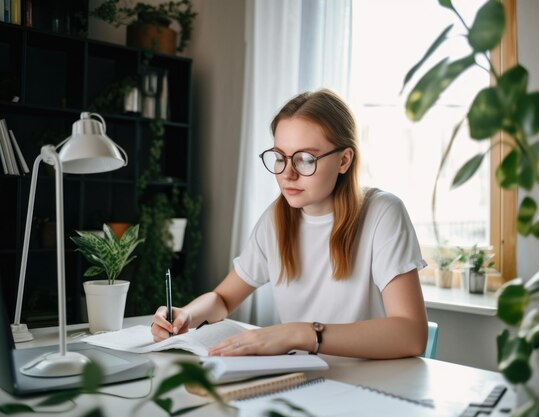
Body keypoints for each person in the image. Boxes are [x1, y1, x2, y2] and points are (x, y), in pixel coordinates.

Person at [151, 88, 428, 359]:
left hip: (374, 384)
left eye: (306, 159)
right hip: (304, 382)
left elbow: (411, 334)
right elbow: (223, 299)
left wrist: (300, 334)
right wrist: (187, 313)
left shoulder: (382, 213)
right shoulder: (276, 218)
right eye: (280, 157)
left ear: (344, 160)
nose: (288, 174)